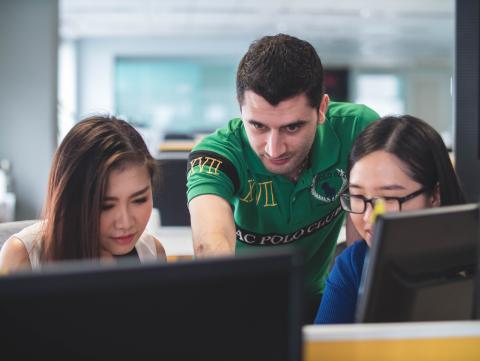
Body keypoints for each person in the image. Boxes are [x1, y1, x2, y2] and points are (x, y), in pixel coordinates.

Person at [186, 33, 379, 322]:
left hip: (321, 298)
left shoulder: (357, 128)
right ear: (240, 110)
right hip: (239, 304)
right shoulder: (216, 154)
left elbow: (361, 243)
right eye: (258, 126)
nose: (273, 148)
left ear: (322, 109)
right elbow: (210, 243)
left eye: (292, 128)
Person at [314, 115, 466, 324]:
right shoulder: (353, 265)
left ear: (434, 196)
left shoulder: (468, 265)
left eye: (388, 198)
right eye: (358, 196)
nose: (369, 217)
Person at [0, 115, 166, 271]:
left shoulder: (151, 254)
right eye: (106, 206)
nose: (125, 222)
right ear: (72, 201)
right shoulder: (23, 257)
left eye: (139, 200)